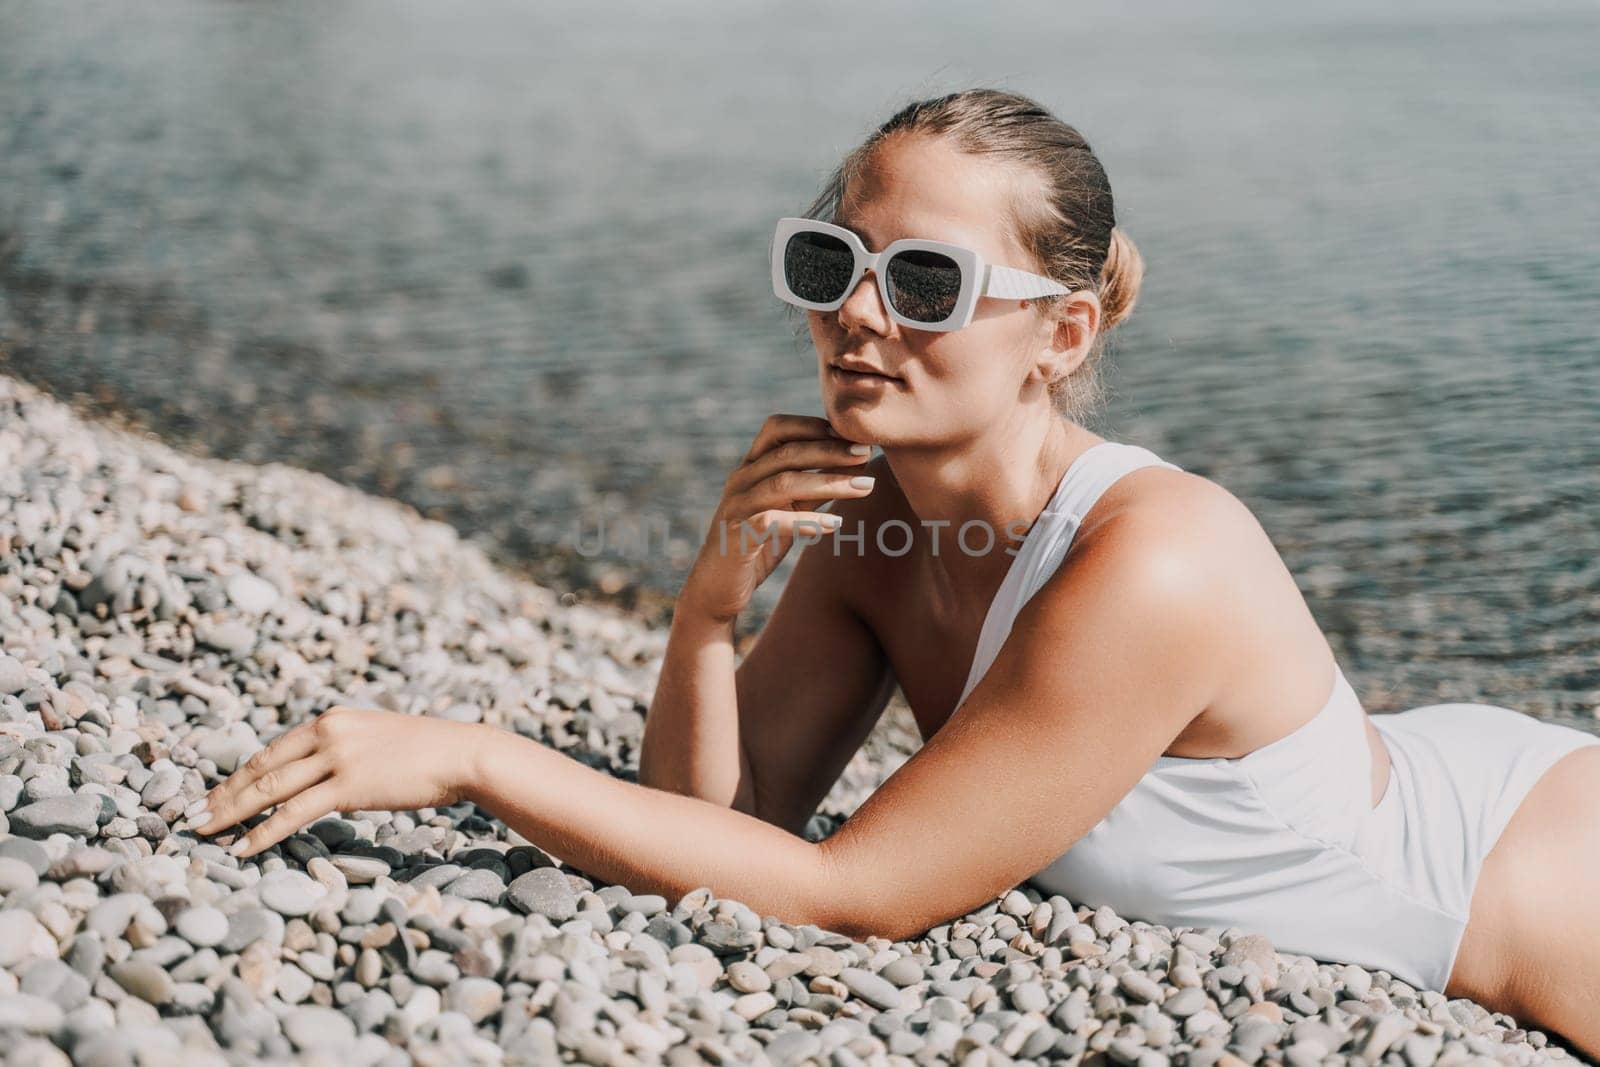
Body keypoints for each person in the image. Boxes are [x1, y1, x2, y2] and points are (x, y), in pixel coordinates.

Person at [186, 88, 1600, 1055]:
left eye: (924, 282)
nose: (857, 316)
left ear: (1059, 334)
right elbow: (725, 830)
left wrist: (473, 758)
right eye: (832, 262)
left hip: (1519, 878)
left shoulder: (1157, 560)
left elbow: (858, 894)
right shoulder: (875, 528)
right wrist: (705, 613)